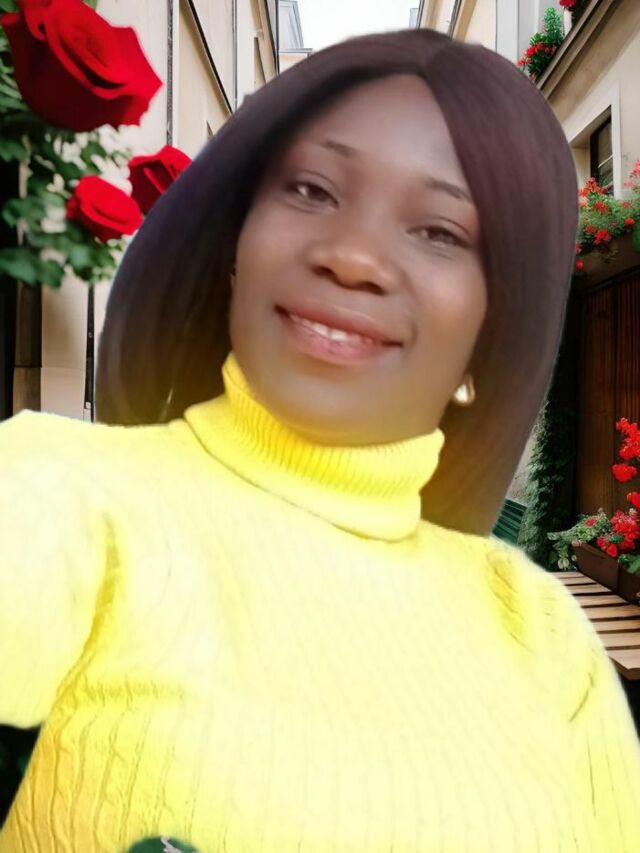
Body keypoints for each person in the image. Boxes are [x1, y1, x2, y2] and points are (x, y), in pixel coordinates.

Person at [1, 27, 639, 853]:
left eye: (440, 231)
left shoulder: (549, 637)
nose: (352, 257)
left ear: (491, 332)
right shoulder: (62, 494)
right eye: (310, 189)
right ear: (234, 248)